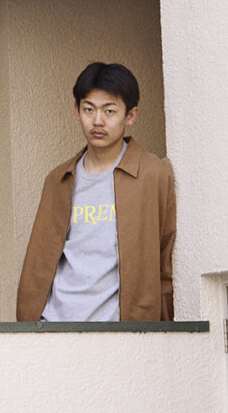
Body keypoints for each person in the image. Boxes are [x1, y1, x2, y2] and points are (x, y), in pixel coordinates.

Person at [16, 62, 175, 322]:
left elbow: (165, 261)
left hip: (119, 330)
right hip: (55, 325)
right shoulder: (58, 179)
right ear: (77, 111)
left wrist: (166, 330)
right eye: (89, 109)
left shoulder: (153, 174)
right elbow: (38, 262)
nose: (97, 121)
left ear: (131, 115)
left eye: (109, 111)